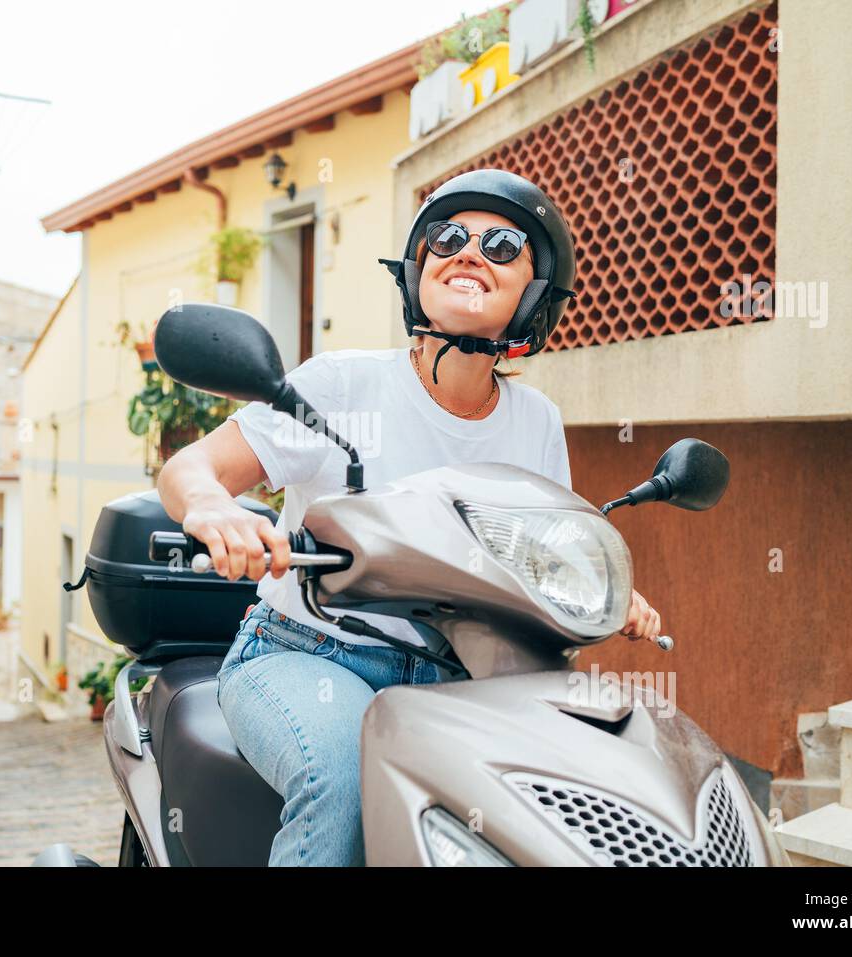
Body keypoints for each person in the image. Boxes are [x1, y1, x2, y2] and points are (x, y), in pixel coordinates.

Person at [157, 168, 663, 866]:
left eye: (503, 245)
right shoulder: (343, 384)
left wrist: (604, 594)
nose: (468, 253)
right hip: (305, 652)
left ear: (535, 293)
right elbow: (190, 469)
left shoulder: (536, 421)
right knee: (340, 773)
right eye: (448, 237)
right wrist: (215, 509)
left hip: (458, 678)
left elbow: (545, 551)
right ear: (418, 268)